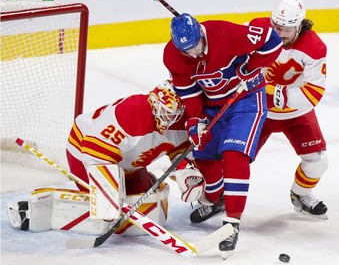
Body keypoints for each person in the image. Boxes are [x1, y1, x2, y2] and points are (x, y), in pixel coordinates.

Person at [7, 80, 205, 235]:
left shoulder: (181, 122)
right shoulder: (131, 113)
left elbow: (179, 149)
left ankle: (116, 196)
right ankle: (31, 211)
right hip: (85, 153)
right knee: (107, 212)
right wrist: (108, 196)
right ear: (153, 103)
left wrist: (187, 173)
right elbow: (93, 152)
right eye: (165, 113)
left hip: (128, 163)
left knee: (145, 204)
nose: (169, 120)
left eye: (174, 115)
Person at [163, 13, 282, 257]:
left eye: (196, 47)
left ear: (201, 34)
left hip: (246, 100)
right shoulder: (173, 56)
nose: (194, 54)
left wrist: (253, 68)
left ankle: (232, 222)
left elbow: (272, 39)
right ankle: (217, 200)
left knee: (234, 153)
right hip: (210, 106)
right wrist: (195, 120)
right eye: (187, 51)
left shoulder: (226, 34)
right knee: (204, 156)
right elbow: (189, 92)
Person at [255, 0, 329, 218]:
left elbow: (314, 91)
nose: (279, 33)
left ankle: (301, 194)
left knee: (317, 160)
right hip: (258, 109)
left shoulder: (314, 47)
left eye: (286, 29)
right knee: (232, 155)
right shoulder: (258, 31)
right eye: (276, 26)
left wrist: (284, 97)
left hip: (297, 113)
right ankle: (217, 196)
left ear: (299, 26)